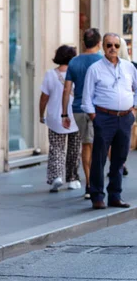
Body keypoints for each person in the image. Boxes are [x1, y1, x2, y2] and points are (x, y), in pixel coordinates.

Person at [81, 32, 137, 210]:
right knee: (99, 159)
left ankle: (115, 195)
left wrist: (134, 109)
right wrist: (93, 116)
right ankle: (97, 196)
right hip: (104, 118)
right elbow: (87, 97)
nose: (113, 48)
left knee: (120, 159)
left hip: (125, 118)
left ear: (120, 47)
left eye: (116, 45)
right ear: (103, 47)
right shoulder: (95, 68)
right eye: (109, 45)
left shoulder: (129, 67)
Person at [62, 28, 102, 199]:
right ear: (100, 43)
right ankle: (93, 184)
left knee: (86, 145)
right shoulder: (102, 61)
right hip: (98, 110)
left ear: (83, 43)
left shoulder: (74, 62)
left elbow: (67, 89)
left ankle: (89, 182)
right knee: (95, 146)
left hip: (78, 108)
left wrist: (64, 113)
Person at [40, 45, 81, 193]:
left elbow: (44, 98)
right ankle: (73, 179)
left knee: (56, 149)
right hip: (75, 117)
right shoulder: (77, 73)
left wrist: (41, 114)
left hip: (55, 118)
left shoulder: (50, 74)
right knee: (74, 150)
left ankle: (57, 176)